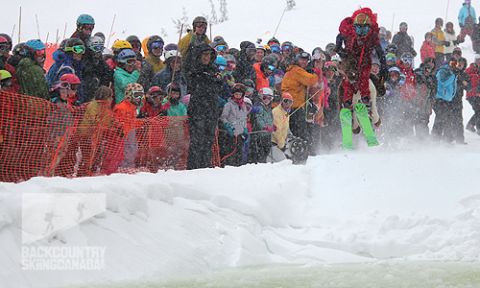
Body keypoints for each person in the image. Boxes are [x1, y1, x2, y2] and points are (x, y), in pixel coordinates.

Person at [186, 43, 223, 170]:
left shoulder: (214, 69)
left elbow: (219, 87)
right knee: (197, 141)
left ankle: (205, 167)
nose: (207, 57)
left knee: (209, 141)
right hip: (198, 110)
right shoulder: (194, 69)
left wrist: (216, 80)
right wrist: (207, 78)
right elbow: (195, 87)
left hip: (211, 110)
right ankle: (194, 168)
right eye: (204, 54)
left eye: (209, 55)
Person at [281, 51, 318, 146]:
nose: (304, 62)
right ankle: (304, 151)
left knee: (295, 132)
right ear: (297, 60)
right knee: (301, 133)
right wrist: (317, 71)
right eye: (302, 59)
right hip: (295, 107)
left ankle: (299, 150)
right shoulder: (297, 70)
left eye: (306, 60)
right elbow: (311, 80)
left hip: (289, 106)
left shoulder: (291, 70)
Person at [432, 58, 471, 144]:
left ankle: (459, 139)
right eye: (458, 63)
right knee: (445, 118)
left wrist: (463, 81)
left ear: (464, 65)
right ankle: (446, 138)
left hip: (457, 100)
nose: (460, 65)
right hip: (447, 100)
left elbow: (469, 87)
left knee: (458, 120)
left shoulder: (463, 75)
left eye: (462, 64)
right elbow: (442, 82)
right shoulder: (449, 71)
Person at [114, 83, 145, 168]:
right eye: (136, 95)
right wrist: (120, 130)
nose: (139, 98)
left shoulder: (133, 108)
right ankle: (123, 168)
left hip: (130, 132)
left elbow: (132, 122)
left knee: (133, 149)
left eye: (140, 95)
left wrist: (141, 122)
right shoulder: (122, 107)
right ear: (129, 95)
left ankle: (129, 167)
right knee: (126, 151)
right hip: (124, 135)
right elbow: (117, 121)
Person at [219, 83, 249, 167]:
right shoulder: (228, 105)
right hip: (231, 133)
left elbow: (244, 118)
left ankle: (238, 167)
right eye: (236, 94)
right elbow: (223, 117)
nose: (238, 96)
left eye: (240, 94)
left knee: (239, 153)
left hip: (240, 134)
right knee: (230, 152)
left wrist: (245, 129)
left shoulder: (243, 105)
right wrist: (228, 126)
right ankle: (228, 166)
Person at [82, 36, 113, 103]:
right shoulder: (84, 61)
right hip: (84, 95)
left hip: (97, 97)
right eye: (96, 48)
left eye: (101, 48)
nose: (99, 51)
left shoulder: (102, 63)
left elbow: (109, 73)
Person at [250, 87, 274, 163]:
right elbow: (258, 118)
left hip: (267, 134)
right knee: (260, 152)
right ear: (260, 97)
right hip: (259, 134)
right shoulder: (259, 107)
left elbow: (270, 118)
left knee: (267, 150)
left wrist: (272, 125)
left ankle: (263, 163)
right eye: (264, 98)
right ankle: (259, 164)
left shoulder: (269, 108)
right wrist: (264, 126)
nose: (267, 100)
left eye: (269, 98)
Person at [414, 58, 436, 139]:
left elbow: (434, 91)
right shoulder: (417, 73)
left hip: (427, 101)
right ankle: (419, 138)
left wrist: (432, 102)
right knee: (418, 119)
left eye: (432, 63)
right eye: (427, 65)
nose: (429, 67)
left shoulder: (433, 77)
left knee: (426, 119)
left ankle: (425, 138)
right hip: (417, 100)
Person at [465, 55, 480, 134]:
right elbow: (465, 78)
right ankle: (478, 127)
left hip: (478, 95)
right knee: (478, 110)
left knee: (478, 111)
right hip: (471, 95)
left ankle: (471, 125)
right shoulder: (470, 69)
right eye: (477, 60)